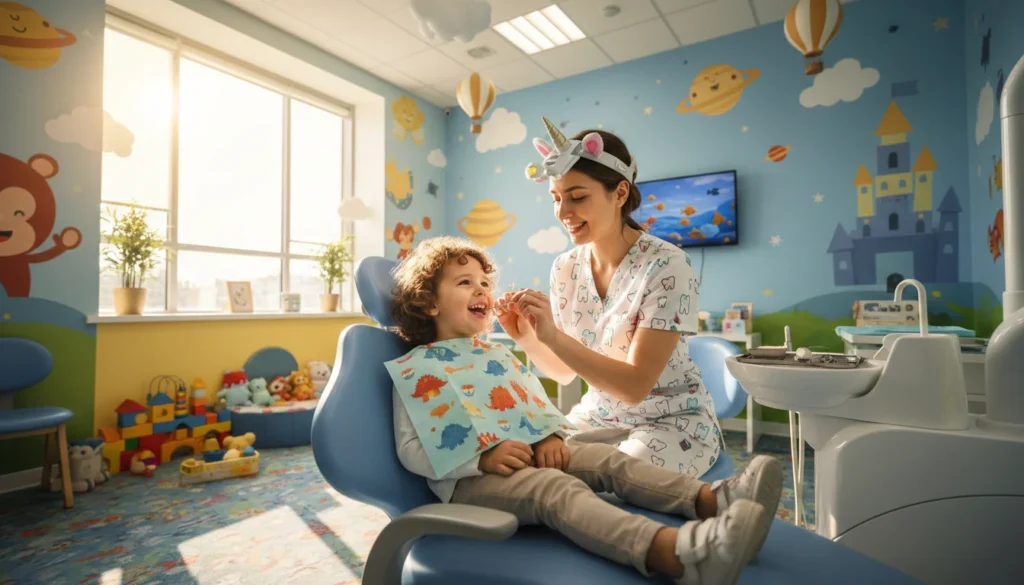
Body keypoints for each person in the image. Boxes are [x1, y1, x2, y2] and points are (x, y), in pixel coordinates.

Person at [388, 236, 783, 585]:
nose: (482, 290)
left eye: (485, 282)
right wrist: (482, 458)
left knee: (606, 460)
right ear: (427, 303)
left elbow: (530, 404)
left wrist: (549, 435)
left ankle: (712, 500)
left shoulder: (493, 353)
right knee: (557, 489)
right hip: (469, 484)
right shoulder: (418, 368)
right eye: (464, 283)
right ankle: (677, 556)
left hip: (526, 457)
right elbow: (414, 448)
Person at [500, 119, 745, 483]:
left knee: (616, 482)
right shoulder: (565, 268)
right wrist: (527, 337)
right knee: (530, 467)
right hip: (597, 416)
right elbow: (564, 373)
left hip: (670, 423)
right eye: (556, 198)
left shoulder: (668, 264)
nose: (563, 212)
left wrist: (552, 336)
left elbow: (633, 386)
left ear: (618, 194)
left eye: (578, 196)